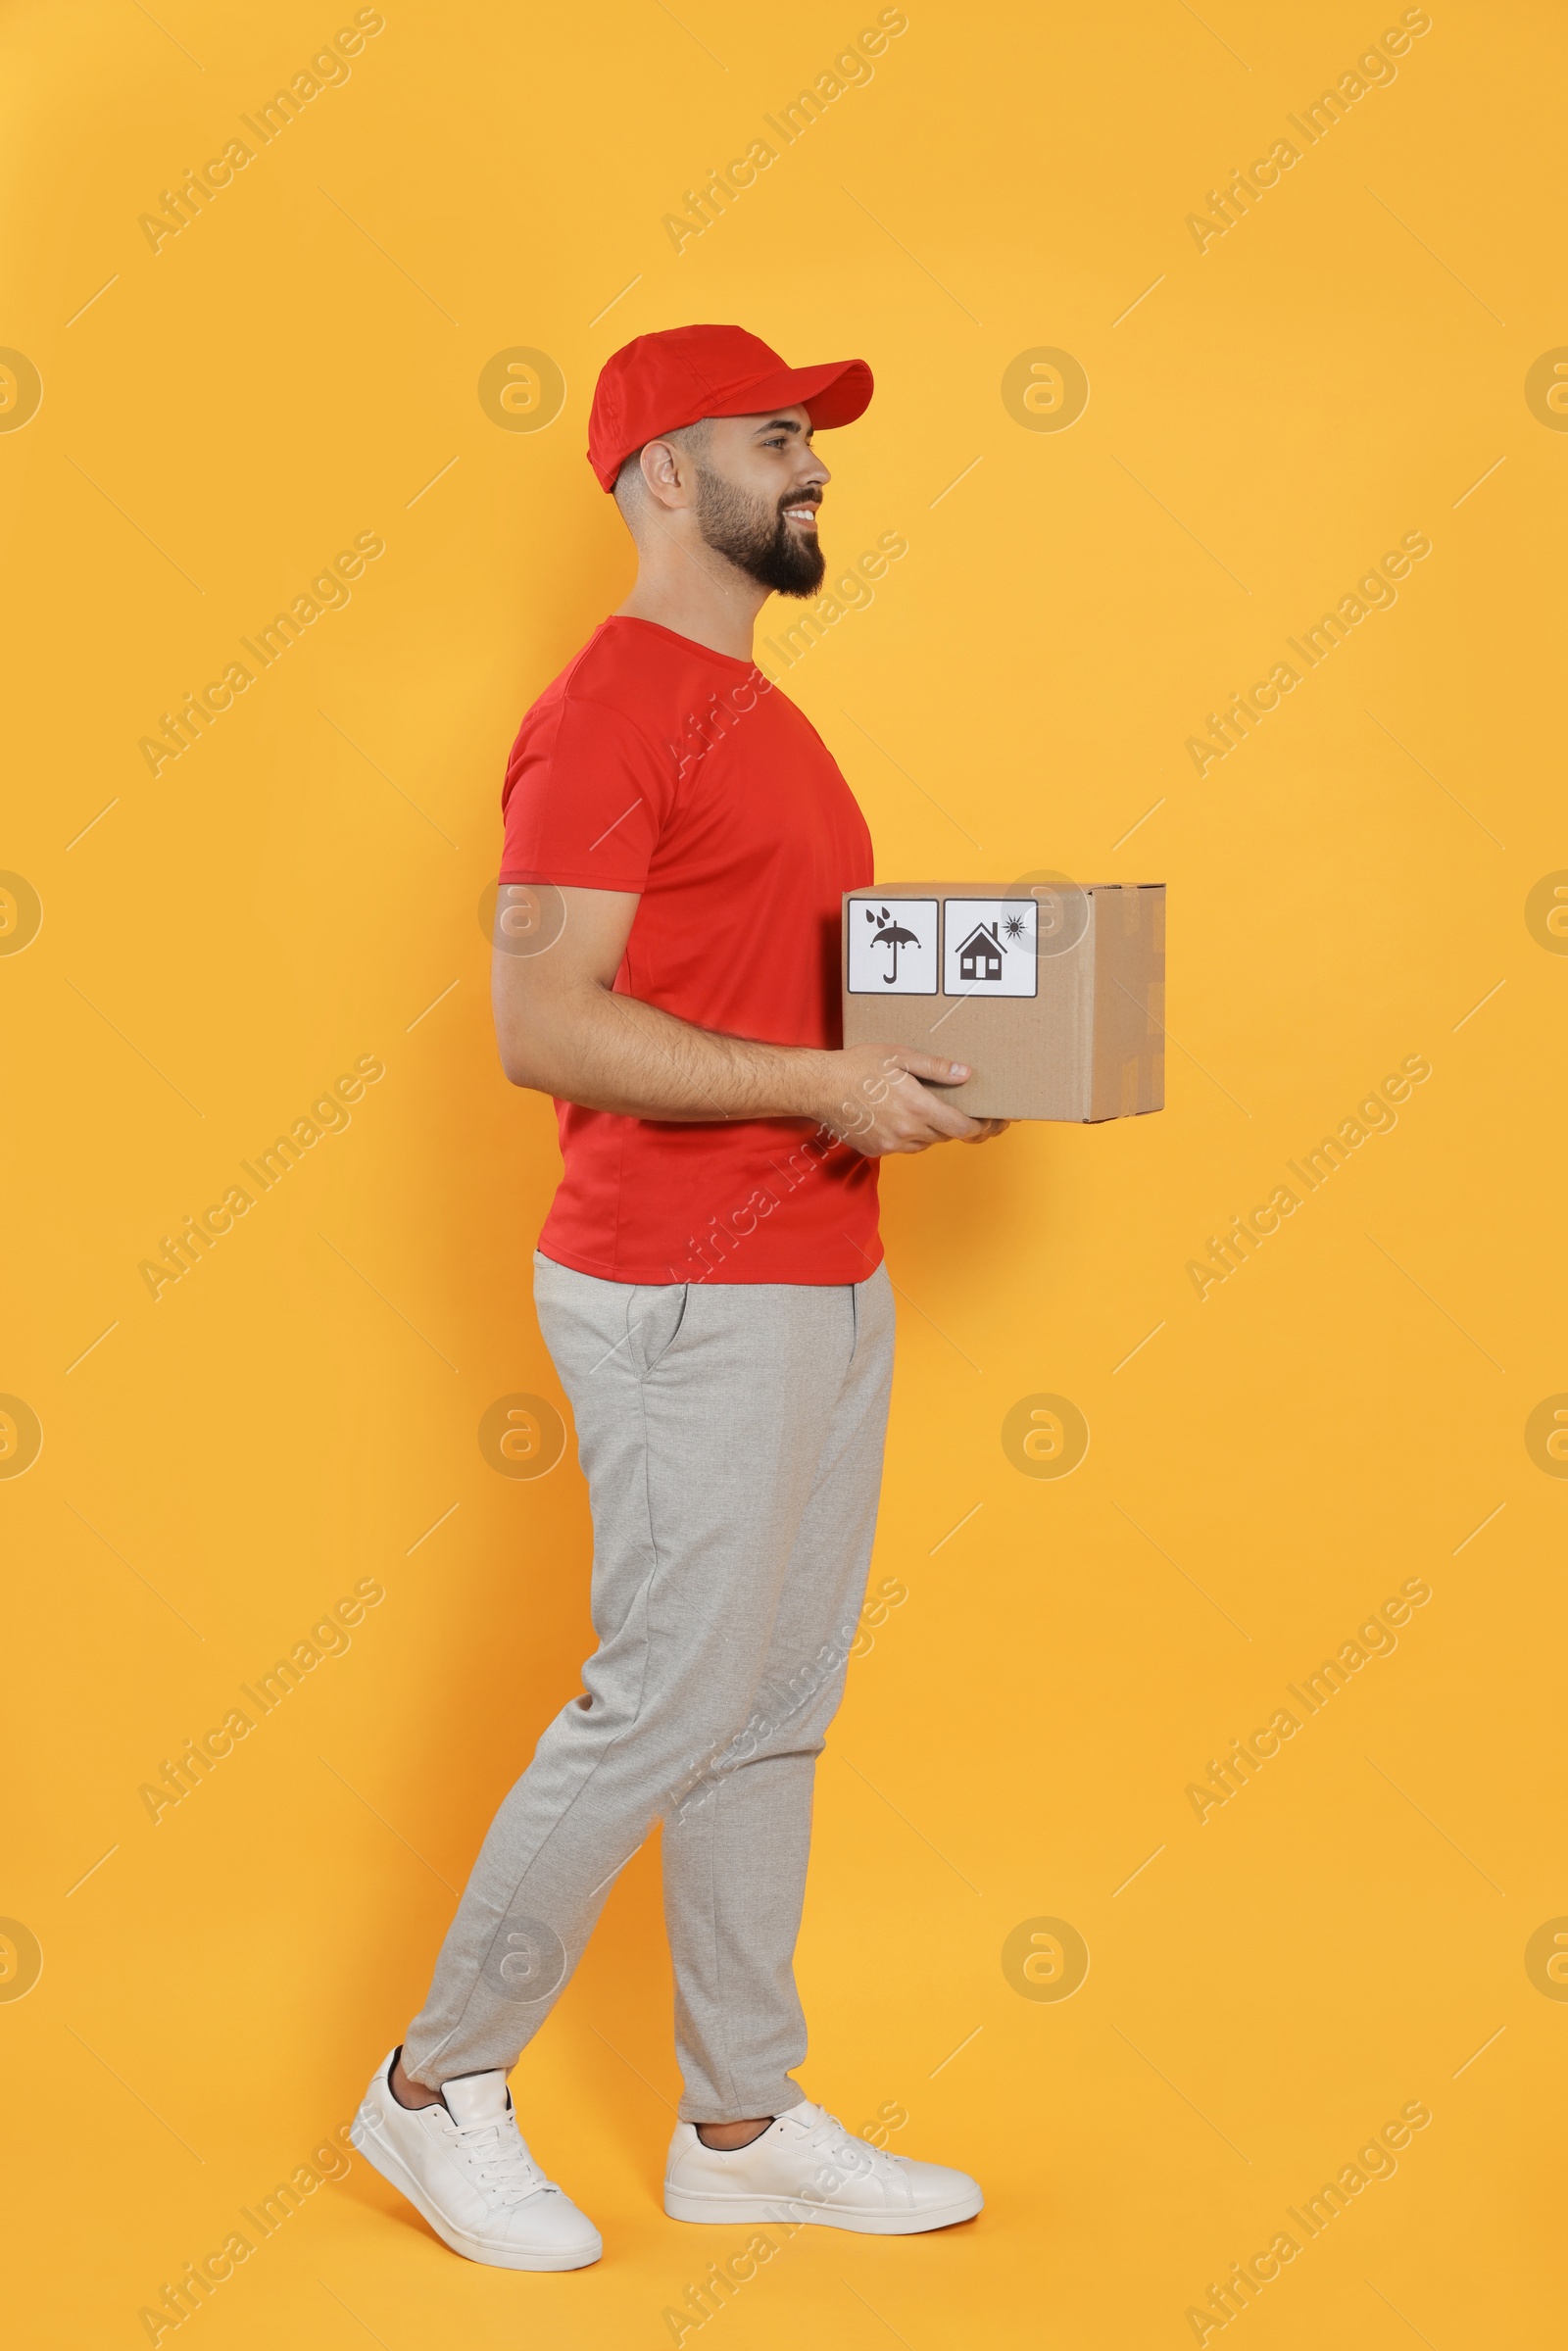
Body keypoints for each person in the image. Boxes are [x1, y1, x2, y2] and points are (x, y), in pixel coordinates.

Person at [351, 322, 1006, 2270]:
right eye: (772, 437)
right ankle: (430, 2086)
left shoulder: (767, 719)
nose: (809, 466)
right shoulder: (606, 711)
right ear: (659, 475)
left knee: (770, 1712)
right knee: (663, 1701)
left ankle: (737, 2119)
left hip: (821, 1268)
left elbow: (753, 989)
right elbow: (542, 1025)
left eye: (810, 441)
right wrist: (825, 1083)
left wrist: (961, 1035)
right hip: (679, 1288)